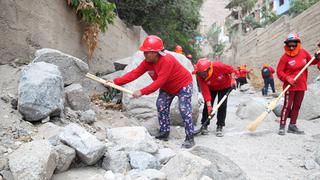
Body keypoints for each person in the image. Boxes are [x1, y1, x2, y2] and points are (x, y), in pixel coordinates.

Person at [107, 35, 195, 148]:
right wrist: (115, 81)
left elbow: (159, 82)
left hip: (183, 85)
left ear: (156, 52)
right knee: (161, 105)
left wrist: (141, 91)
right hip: (168, 87)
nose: (145, 54)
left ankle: (190, 137)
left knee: (184, 109)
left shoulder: (167, 61)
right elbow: (134, 74)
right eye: (144, 52)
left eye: (148, 52)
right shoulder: (147, 62)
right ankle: (164, 131)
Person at [277, 32, 320, 136]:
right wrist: (287, 78)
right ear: (286, 45)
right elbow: (279, 72)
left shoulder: (303, 53)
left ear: (297, 43)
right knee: (287, 106)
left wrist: (317, 57)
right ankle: (282, 126)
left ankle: (292, 126)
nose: (291, 47)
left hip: (301, 85)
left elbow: (311, 62)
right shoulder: (284, 58)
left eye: (293, 44)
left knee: (297, 106)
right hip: (290, 86)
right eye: (289, 44)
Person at [193, 58, 236, 137]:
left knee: (222, 105)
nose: (202, 76)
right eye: (200, 74)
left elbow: (232, 70)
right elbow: (205, 91)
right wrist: (209, 106)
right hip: (211, 88)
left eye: (203, 74)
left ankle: (220, 125)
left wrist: (233, 80)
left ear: (209, 69)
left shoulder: (218, 66)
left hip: (224, 86)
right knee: (207, 105)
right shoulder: (199, 75)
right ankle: (204, 124)